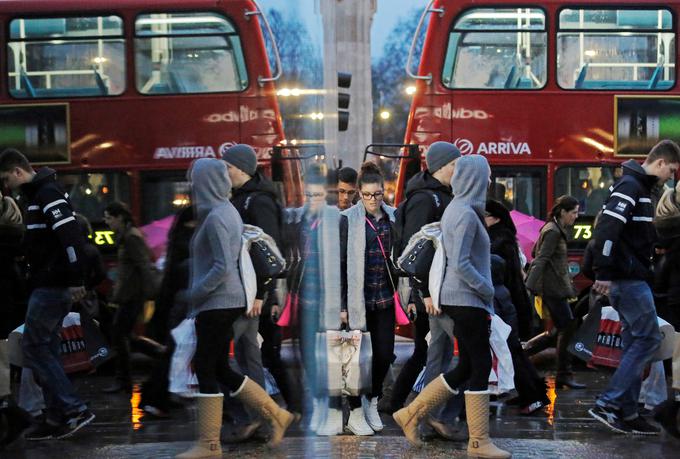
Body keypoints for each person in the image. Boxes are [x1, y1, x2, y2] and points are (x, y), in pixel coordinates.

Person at [176, 158, 296, 458]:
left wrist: (194, 292)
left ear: (206, 183)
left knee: (206, 367)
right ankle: (276, 415)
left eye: (197, 181)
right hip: (226, 301)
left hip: (217, 302)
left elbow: (221, 266)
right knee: (219, 368)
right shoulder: (226, 211)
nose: (193, 187)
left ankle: (209, 445)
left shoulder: (217, 216)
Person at [393, 155, 511, 459]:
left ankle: (412, 413)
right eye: (485, 176)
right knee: (479, 366)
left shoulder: (460, 209)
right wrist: (486, 289)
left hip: (462, 299)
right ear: (474, 179)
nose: (488, 181)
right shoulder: (465, 214)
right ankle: (479, 442)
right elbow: (460, 262)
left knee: (467, 367)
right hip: (466, 299)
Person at [0, 148, 94, 440]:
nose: (5, 186)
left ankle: (73, 408)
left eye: (6, 179)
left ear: (18, 171)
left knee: (34, 347)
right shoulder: (36, 196)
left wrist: (76, 277)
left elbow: (70, 235)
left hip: (53, 284)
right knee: (48, 348)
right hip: (48, 282)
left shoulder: (46, 194)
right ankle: (55, 416)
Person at [589, 139, 680, 435]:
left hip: (630, 277)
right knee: (649, 339)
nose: (671, 178)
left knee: (634, 342)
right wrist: (602, 271)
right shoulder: (631, 187)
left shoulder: (638, 189)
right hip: (628, 279)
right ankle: (609, 402)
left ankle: (627, 412)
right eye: (672, 171)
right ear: (662, 163)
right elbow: (606, 228)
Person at [390, 141, 461, 441]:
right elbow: (415, 250)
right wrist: (425, 293)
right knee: (463, 356)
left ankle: (424, 414)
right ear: (442, 166)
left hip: (438, 289)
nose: (458, 170)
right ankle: (426, 414)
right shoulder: (426, 199)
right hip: (435, 292)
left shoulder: (438, 195)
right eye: (455, 165)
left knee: (437, 355)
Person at [222, 144, 291, 437]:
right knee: (249, 356)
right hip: (244, 291)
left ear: (240, 168)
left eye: (228, 167)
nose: (225, 172)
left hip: (251, 293)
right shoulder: (243, 199)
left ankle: (260, 415)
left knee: (250, 356)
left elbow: (268, 250)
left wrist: (264, 294)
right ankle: (261, 415)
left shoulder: (257, 201)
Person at [284, 163, 344, 436]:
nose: (312, 200)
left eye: (318, 195)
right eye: (309, 195)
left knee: (329, 359)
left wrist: (343, 305)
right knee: (310, 358)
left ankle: (330, 410)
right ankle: (318, 406)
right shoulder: (300, 221)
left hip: (329, 302)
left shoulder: (336, 222)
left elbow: (344, 265)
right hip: (305, 300)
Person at [340, 161, 396, 435]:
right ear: (359, 193)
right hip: (356, 302)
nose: (374, 200)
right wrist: (341, 306)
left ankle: (372, 401)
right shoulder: (348, 219)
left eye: (378, 194)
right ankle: (356, 411)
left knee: (384, 354)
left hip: (384, 298)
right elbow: (339, 264)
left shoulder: (394, 217)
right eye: (367, 195)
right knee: (355, 359)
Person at [103, 201, 165, 393]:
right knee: (126, 335)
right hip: (128, 295)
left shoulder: (131, 237)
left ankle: (124, 380)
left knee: (119, 335)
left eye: (109, 218)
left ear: (120, 218)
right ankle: (162, 353)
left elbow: (144, 266)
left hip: (133, 295)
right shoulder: (127, 236)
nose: (106, 222)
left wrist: (150, 293)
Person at [140, 205, 196, 418]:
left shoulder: (177, 241)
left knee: (175, 352)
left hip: (176, 303)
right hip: (186, 305)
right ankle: (155, 398)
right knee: (177, 353)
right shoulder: (190, 242)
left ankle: (158, 397)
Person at [525, 196, 584, 390]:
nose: (576, 216)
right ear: (563, 212)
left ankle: (523, 355)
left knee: (560, 329)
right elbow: (540, 258)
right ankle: (563, 374)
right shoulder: (553, 231)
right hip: (553, 288)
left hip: (555, 286)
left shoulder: (552, 229)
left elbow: (534, 251)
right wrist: (530, 285)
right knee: (566, 327)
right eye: (574, 212)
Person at [490, 254, 549, 415]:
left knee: (516, 367)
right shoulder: (502, 289)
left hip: (505, 337)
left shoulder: (494, 293)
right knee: (518, 364)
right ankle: (534, 397)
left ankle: (532, 399)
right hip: (511, 335)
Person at [485, 199, 533, 340]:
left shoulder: (499, 240)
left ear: (496, 218)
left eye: (484, 215)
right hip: (507, 296)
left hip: (501, 297)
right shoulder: (504, 237)